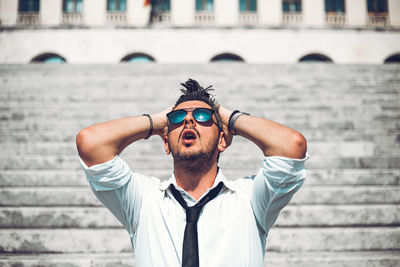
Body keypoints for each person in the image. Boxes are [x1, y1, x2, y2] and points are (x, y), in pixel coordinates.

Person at [76, 79, 308, 267]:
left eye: (202, 116)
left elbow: (292, 146)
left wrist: (227, 116)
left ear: (223, 141)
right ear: (166, 143)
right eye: (178, 118)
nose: (188, 119)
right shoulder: (143, 200)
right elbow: (90, 143)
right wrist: (156, 121)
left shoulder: (250, 199)